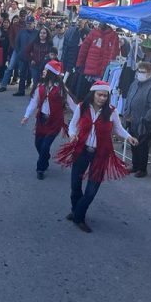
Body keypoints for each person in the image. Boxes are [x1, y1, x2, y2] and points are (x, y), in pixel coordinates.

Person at [56, 81, 138, 233]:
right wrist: (72, 134)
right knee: (75, 185)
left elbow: (118, 129)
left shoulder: (112, 111)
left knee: (91, 190)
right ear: (93, 94)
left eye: (105, 96)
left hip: (101, 153)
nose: (102, 98)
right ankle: (76, 211)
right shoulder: (82, 107)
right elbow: (73, 125)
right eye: (99, 95)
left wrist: (129, 137)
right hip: (81, 150)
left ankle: (78, 216)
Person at [21, 60, 73, 179]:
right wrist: (26, 116)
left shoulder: (60, 88)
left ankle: (41, 168)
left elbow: (71, 103)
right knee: (38, 144)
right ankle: (45, 157)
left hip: (55, 122)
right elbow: (34, 102)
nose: (43, 71)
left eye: (46, 70)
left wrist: (80, 115)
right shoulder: (41, 86)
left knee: (45, 146)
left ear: (51, 73)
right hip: (42, 120)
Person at [122, 61, 151, 177]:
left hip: (144, 121)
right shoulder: (135, 83)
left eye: (143, 72)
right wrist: (126, 112)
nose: (140, 74)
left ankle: (142, 169)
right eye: (139, 71)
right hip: (131, 119)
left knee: (142, 146)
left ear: (150, 73)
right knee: (133, 144)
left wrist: (146, 119)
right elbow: (129, 98)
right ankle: (135, 165)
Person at [0, 15, 37, 95]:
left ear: (34, 23)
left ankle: (34, 92)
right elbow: (17, 43)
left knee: (34, 75)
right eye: (27, 23)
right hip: (22, 56)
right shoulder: (21, 32)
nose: (29, 25)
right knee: (22, 74)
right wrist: (19, 53)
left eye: (30, 23)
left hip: (32, 57)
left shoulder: (37, 33)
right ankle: (21, 91)